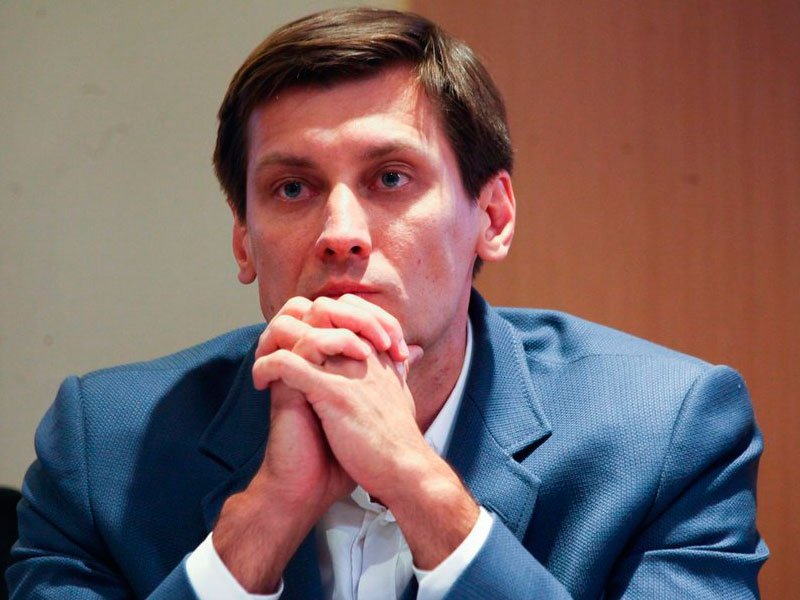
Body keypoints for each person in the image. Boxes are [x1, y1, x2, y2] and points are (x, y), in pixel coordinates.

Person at [7, 7, 767, 599]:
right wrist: (259, 525)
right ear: (243, 241)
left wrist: (421, 487)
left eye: (391, 178)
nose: (340, 234)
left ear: (493, 217)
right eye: (292, 188)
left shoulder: (665, 432)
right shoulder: (103, 450)